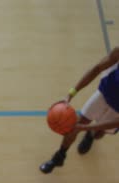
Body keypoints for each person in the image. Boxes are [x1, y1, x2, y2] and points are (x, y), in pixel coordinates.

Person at [39, 46, 119, 174]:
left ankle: (91, 135)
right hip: (103, 96)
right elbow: (96, 69)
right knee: (74, 126)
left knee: (99, 133)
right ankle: (59, 157)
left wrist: (87, 129)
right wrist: (70, 94)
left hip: (116, 113)